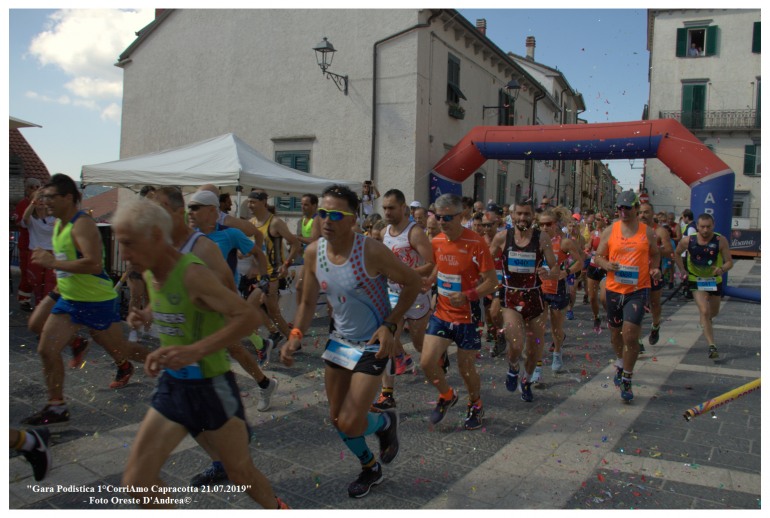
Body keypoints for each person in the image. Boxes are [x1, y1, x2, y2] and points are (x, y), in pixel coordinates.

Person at [113, 197, 289, 510]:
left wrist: (194, 350)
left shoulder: (193, 272)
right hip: (174, 387)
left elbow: (246, 317)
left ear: (155, 236)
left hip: (212, 387)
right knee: (137, 481)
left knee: (239, 472)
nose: (123, 255)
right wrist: (148, 315)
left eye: (128, 243)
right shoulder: (153, 274)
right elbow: (172, 301)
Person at [280, 184, 421, 498]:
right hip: (340, 342)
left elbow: (413, 282)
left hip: (372, 343)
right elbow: (305, 302)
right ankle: (370, 466)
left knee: (351, 420)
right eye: (322, 213)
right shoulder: (313, 252)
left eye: (335, 214)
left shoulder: (370, 251)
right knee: (337, 419)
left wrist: (390, 324)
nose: (326, 220)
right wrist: (295, 335)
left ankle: (383, 423)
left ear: (353, 219)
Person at [23, 174, 147, 427]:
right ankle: (56, 406)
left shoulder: (82, 224)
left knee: (121, 349)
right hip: (69, 296)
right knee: (44, 345)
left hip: (95, 299)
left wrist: (53, 262)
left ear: (68, 198)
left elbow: (93, 263)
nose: (46, 202)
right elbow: (66, 260)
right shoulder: (58, 224)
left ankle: (167, 363)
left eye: (50, 197)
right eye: (43, 197)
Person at [421, 193, 498, 429]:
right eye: (438, 217)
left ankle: (475, 404)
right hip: (442, 313)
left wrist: (468, 295)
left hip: (468, 316)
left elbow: (491, 281)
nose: (442, 222)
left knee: (466, 369)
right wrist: (429, 281)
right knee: (426, 362)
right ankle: (446, 395)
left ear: (461, 216)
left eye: (447, 218)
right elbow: (437, 267)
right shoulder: (436, 242)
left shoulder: (476, 243)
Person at [593, 190, 661, 402]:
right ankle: (621, 364)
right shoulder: (610, 230)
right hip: (614, 289)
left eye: (627, 208)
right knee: (616, 335)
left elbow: (656, 254)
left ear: (635, 208)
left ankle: (628, 379)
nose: (623, 212)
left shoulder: (647, 232)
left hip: (638, 290)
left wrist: (655, 269)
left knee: (630, 335)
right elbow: (597, 256)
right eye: (620, 208)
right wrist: (606, 264)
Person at [372, 189, 434, 411]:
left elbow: (431, 262)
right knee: (387, 339)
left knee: (419, 343)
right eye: (385, 208)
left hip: (416, 295)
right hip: (392, 293)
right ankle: (387, 394)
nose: (387, 212)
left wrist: (410, 275)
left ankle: (435, 356)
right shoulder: (384, 232)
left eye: (391, 208)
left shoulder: (414, 232)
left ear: (403, 208)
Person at [490, 199, 557, 402]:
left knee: (535, 349)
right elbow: (485, 263)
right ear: (512, 215)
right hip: (511, 297)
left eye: (526, 214)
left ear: (532, 217)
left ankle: (526, 380)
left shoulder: (542, 238)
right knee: (516, 344)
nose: (522, 218)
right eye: (519, 213)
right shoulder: (502, 237)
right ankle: (513, 366)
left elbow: (555, 268)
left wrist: (548, 272)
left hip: (535, 299)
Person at [672, 213, 733, 360]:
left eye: (708, 227)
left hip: (714, 280)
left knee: (713, 312)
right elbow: (677, 254)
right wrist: (682, 270)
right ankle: (712, 346)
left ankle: (706, 321)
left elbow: (729, 262)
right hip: (696, 279)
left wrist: (722, 269)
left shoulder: (720, 240)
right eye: (702, 227)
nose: (705, 230)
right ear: (697, 226)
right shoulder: (688, 240)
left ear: (713, 226)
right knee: (704, 311)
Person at [246, 189, 302, 345]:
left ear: (264, 202)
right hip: (259, 274)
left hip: (273, 275)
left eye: (253, 202)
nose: (249, 205)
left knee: (251, 307)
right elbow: (254, 249)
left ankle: (262, 341)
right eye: (249, 202)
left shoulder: (275, 222)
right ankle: (291, 341)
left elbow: (296, 244)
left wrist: (286, 264)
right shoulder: (251, 224)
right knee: (272, 312)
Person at [538, 208, 584, 374]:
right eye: (541, 224)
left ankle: (557, 353)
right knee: (539, 328)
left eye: (548, 224)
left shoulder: (565, 242)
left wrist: (566, 272)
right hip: (539, 289)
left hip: (557, 290)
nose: (544, 228)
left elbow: (580, 262)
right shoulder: (536, 241)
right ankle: (536, 364)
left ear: (555, 224)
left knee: (557, 328)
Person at [639, 202, 677, 348]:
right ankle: (637, 340)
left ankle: (655, 326)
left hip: (654, 271)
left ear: (652, 214)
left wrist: (652, 249)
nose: (643, 215)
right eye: (641, 212)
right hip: (637, 272)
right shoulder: (634, 229)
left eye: (646, 212)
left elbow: (668, 251)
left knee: (655, 303)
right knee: (637, 305)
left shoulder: (660, 231)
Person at [20, 188, 56, 309]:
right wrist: (34, 201)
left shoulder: (53, 218)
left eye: (42, 199)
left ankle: (47, 310)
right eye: (38, 199)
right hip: (36, 253)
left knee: (50, 284)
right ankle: (39, 308)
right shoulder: (31, 219)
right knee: (37, 284)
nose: (40, 201)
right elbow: (25, 218)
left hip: (52, 254)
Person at [13, 177, 42, 311]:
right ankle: (24, 299)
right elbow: (19, 222)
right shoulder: (23, 204)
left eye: (38, 187)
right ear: (27, 189)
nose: (36, 190)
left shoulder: (42, 204)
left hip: (40, 245)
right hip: (27, 245)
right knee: (27, 273)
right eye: (33, 187)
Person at [294, 193, 321, 304]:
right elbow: (301, 240)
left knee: (301, 287)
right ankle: (302, 314)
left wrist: (297, 238)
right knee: (301, 288)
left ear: (314, 205)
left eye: (306, 205)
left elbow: (313, 240)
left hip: (317, 258)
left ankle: (302, 315)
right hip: (307, 258)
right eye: (302, 204)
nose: (303, 207)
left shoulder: (317, 219)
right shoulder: (303, 220)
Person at [585, 215, 608, 333]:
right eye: (595, 220)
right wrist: (587, 249)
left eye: (598, 219)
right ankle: (596, 317)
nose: (596, 222)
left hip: (605, 268)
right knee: (592, 297)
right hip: (593, 267)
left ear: (605, 221)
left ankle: (610, 314)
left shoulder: (609, 233)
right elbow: (589, 245)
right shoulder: (594, 233)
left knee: (603, 298)